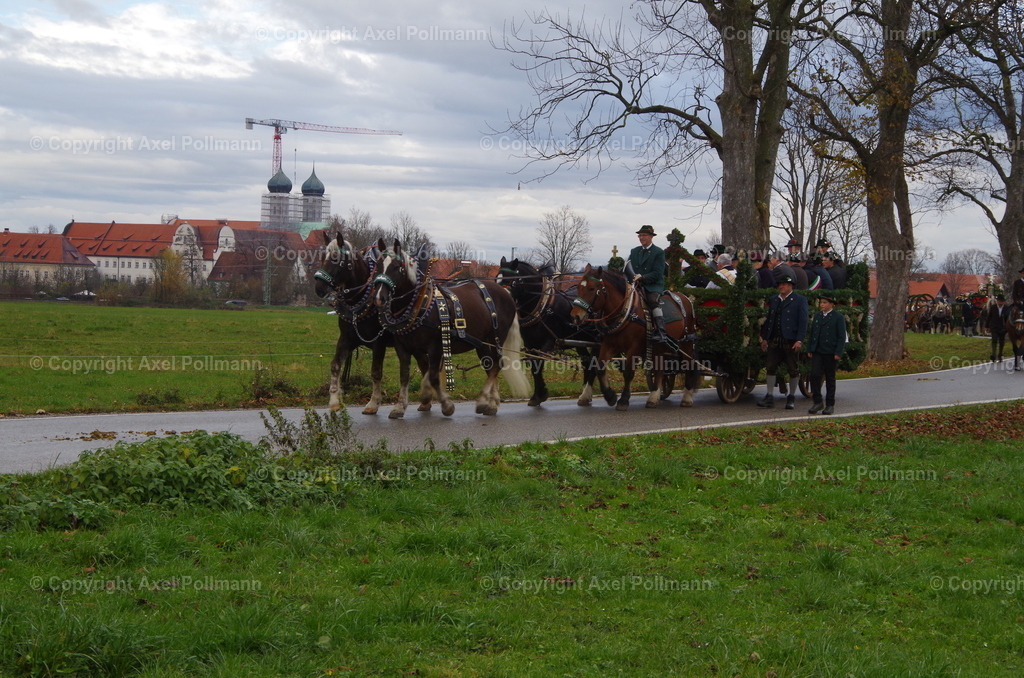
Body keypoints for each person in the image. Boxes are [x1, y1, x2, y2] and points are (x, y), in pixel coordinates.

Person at [758, 275, 808, 410]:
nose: (781, 287)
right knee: (770, 367)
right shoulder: (774, 300)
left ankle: (791, 397)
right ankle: (769, 396)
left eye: (784, 284)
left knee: (793, 369)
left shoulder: (799, 300)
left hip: (790, 340)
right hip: (775, 340)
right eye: (780, 284)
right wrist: (766, 338)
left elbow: (803, 322)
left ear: (790, 286)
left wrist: (799, 340)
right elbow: (770, 321)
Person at [805, 294, 847, 415]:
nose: (822, 305)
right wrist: (810, 349)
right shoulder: (818, 316)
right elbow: (813, 333)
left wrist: (838, 352)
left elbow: (841, 336)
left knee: (830, 378)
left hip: (830, 352)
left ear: (831, 304)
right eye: (821, 303)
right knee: (814, 375)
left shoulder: (838, 317)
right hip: (818, 351)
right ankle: (817, 401)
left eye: (824, 303)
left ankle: (830, 404)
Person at [629, 224, 669, 344]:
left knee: (653, 301)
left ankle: (661, 332)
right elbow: (629, 267)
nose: (641, 238)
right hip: (635, 284)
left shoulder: (658, 252)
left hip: (652, 285)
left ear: (651, 236)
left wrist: (643, 277)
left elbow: (658, 273)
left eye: (644, 235)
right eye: (640, 235)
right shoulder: (634, 251)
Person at [987, 294, 1011, 362]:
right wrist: (987, 326)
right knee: (994, 339)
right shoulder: (993, 307)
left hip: (1003, 327)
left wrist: (1007, 328)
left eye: (1002, 301)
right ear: (997, 301)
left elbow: (1008, 319)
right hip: (994, 326)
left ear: (1004, 302)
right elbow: (989, 316)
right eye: (999, 301)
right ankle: (993, 354)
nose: (1000, 303)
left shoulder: (1006, 308)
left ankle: (1000, 354)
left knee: (1001, 341)